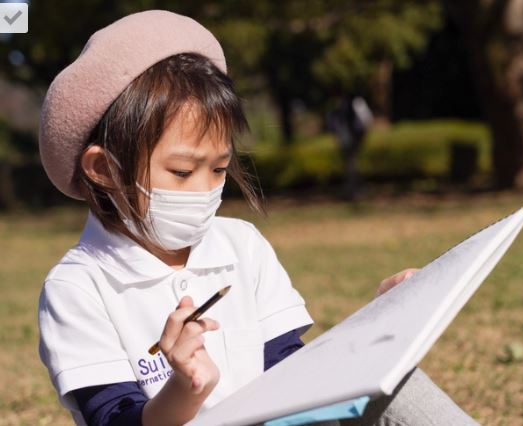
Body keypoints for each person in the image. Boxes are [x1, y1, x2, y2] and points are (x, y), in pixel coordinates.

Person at [36, 10, 479, 426]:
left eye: (219, 169)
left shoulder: (241, 245)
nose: (205, 190)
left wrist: (378, 326)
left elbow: (289, 371)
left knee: (396, 384)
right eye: (182, 172)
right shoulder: (77, 287)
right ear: (104, 169)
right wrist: (185, 390)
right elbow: (114, 416)